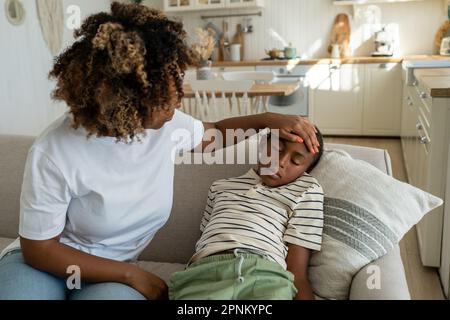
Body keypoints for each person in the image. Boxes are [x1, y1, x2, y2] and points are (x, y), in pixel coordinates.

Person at [0, 2, 320, 300]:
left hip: (108, 277)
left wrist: (270, 119)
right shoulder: (53, 150)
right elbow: (40, 249)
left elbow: (217, 133)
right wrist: (131, 274)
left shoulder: (167, 127)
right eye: (166, 97)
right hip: (42, 265)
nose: (179, 99)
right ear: (129, 102)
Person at [169, 130, 324, 300]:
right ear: (264, 143)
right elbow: (204, 241)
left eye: (296, 161)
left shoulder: (306, 190)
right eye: (277, 148)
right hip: (204, 272)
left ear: (305, 171)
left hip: (264, 273)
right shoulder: (220, 187)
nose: (280, 161)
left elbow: (298, 274)